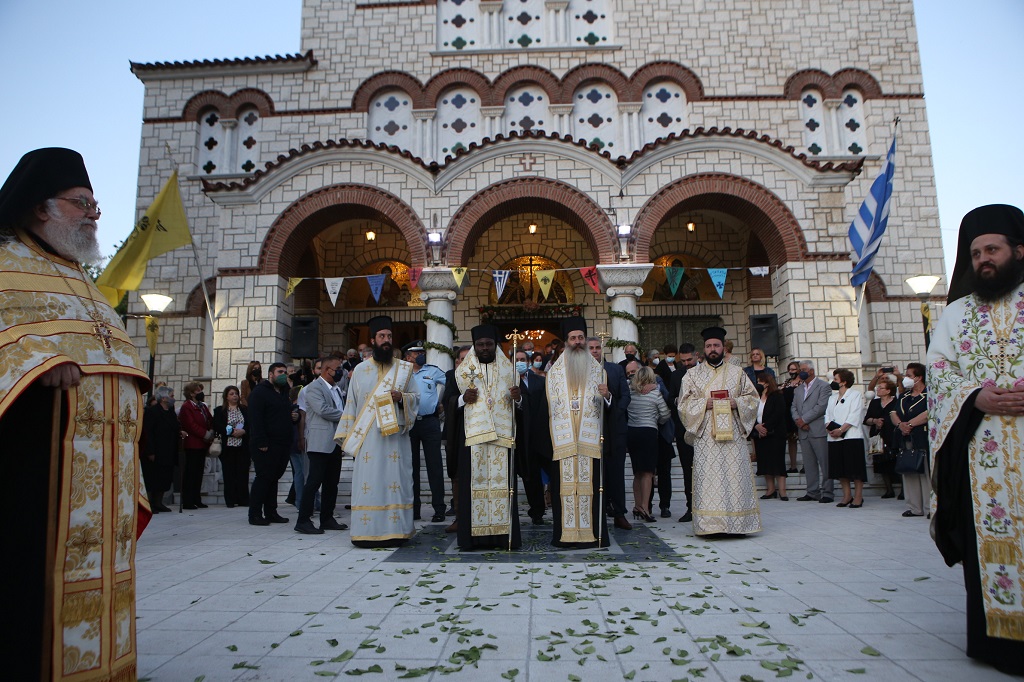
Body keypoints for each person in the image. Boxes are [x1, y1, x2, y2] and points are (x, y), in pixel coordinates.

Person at [0, 147, 151, 679]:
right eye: (81, 202)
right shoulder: (4, 262)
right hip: (31, 471)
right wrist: (32, 361)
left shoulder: (83, 282)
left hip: (98, 476)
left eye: (96, 205)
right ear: (41, 207)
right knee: (28, 599)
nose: (93, 213)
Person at [929, 204, 1024, 675]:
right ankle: (998, 640)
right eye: (976, 252)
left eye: (993, 249)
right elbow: (940, 373)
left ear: (1018, 251)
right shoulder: (956, 314)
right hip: (981, 453)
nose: (984, 259)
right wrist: (975, 398)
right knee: (991, 543)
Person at [335, 316, 420, 547]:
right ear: (372, 340)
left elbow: (416, 399)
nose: (386, 340)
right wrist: (348, 436)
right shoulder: (360, 371)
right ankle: (366, 532)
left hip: (396, 440)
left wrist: (401, 397)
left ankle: (397, 531)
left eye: (389, 336)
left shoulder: (404, 370)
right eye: (382, 336)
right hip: (369, 440)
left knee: (396, 482)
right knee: (369, 484)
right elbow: (351, 404)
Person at [677, 326, 760, 535]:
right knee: (710, 479)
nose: (712, 349)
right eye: (708, 346)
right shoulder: (692, 375)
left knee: (734, 477)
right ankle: (710, 525)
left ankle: (737, 524)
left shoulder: (738, 373)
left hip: (733, 436)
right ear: (702, 350)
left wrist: (736, 403)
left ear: (723, 347)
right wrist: (706, 403)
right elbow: (684, 405)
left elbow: (752, 399)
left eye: (716, 345)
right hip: (707, 437)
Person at [450, 325, 523, 550]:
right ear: (474, 346)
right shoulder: (461, 372)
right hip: (473, 439)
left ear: (495, 345)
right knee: (473, 489)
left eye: (488, 344)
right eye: (480, 345)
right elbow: (448, 402)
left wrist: (518, 398)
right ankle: (473, 539)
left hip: (502, 439)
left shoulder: (510, 371)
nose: (484, 348)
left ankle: (503, 538)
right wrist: (463, 399)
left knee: (503, 489)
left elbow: (521, 406)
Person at [545, 317, 610, 548]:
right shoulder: (554, 374)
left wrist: (607, 396)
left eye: (581, 337)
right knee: (564, 491)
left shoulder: (598, 371)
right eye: (573, 338)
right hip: (563, 442)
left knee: (590, 488)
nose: (577, 342)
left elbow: (607, 407)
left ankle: (592, 536)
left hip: (589, 441)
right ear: (566, 342)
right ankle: (564, 536)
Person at [294, 356, 348, 534]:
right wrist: (348, 416)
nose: (340, 370)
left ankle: (327, 518)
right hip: (319, 442)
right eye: (337, 368)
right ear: (327, 370)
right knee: (314, 482)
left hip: (335, 442)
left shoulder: (336, 389)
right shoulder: (313, 388)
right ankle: (303, 520)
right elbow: (323, 410)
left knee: (332, 483)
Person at [587, 336, 631, 530]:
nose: (595, 351)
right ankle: (595, 513)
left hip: (613, 431)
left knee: (615, 474)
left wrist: (609, 398)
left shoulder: (614, 369)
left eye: (597, 347)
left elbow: (625, 397)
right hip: (588, 431)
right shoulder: (579, 371)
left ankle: (619, 512)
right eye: (591, 348)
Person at [404, 341, 448, 523]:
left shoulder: (433, 370)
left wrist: (444, 402)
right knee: (411, 468)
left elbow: (450, 383)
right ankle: (414, 510)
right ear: (408, 357)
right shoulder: (402, 373)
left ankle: (439, 509)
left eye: (423, 352)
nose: (421, 355)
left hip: (430, 422)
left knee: (435, 466)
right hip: (410, 423)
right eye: (417, 353)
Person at [247, 362, 294, 525]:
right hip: (265, 443)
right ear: (270, 374)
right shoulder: (260, 392)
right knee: (264, 477)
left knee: (274, 478)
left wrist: (295, 417)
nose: (283, 374)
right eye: (280, 371)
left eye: (285, 372)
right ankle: (254, 513)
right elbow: (256, 418)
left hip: (282, 442)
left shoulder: (283, 392)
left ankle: (271, 511)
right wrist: (261, 441)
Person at [625, 365, 670, 521]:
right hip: (649, 432)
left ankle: (637, 506)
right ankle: (645, 507)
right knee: (648, 473)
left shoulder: (630, 392)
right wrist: (655, 419)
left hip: (632, 432)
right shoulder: (655, 394)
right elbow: (665, 414)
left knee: (637, 472)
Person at [514, 349, 550, 525]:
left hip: (541, 434)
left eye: (522, 359)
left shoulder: (540, 381)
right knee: (530, 476)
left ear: (528, 362)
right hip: (520, 437)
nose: (520, 362)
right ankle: (536, 511)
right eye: (516, 359)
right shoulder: (508, 381)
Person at [791, 360, 834, 503]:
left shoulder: (823, 386)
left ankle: (827, 492)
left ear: (811, 371)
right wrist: (799, 421)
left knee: (825, 462)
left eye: (803, 369)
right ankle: (812, 491)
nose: (800, 372)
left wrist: (804, 420)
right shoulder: (798, 389)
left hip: (817, 428)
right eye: (800, 369)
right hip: (803, 430)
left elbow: (821, 406)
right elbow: (793, 407)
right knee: (809, 464)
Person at [825, 369, 867, 508]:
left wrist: (841, 429)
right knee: (840, 468)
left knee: (855, 468)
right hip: (834, 437)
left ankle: (859, 496)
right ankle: (847, 495)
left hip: (851, 436)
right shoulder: (832, 397)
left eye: (836, 379)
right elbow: (828, 415)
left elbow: (854, 414)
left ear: (843, 381)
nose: (833, 382)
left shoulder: (855, 395)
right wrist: (830, 427)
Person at [441, 344, 472, 530]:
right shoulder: (451, 376)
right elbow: (447, 401)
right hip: (455, 433)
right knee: (457, 476)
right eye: (460, 359)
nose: (463, 362)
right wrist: (462, 399)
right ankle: (459, 517)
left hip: (477, 432)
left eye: (467, 359)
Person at [894, 362, 930, 518]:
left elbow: (929, 412)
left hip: (922, 437)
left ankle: (930, 507)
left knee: (926, 473)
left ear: (919, 377)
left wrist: (910, 424)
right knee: (909, 471)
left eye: (908, 376)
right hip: (906, 438)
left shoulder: (929, 394)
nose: (905, 378)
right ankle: (914, 507)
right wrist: (901, 425)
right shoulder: (904, 396)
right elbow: (893, 413)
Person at [668, 343, 698, 522]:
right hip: (684, 429)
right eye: (684, 360)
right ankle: (690, 507)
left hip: (705, 430)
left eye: (690, 360)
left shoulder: (707, 373)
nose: (687, 363)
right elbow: (670, 398)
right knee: (688, 470)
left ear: (697, 356)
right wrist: (677, 401)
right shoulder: (676, 375)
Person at [750, 371, 788, 500]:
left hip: (775, 434)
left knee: (777, 462)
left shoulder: (777, 395)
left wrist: (766, 427)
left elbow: (779, 413)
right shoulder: (755, 397)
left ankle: (782, 491)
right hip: (760, 434)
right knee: (765, 462)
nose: (758, 384)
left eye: (760, 381)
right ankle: (770, 489)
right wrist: (757, 426)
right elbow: (750, 414)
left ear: (767, 383)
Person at [213, 385, 250, 509]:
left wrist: (243, 431)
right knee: (229, 474)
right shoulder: (219, 410)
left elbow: (250, 423)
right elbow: (217, 425)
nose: (234, 396)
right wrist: (231, 431)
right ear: (226, 397)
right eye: (232, 394)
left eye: (236, 393)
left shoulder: (244, 409)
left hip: (242, 445)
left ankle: (243, 499)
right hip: (228, 446)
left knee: (242, 472)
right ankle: (230, 499)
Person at [178, 382, 214, 509]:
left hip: (202, 444)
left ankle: (196, 498)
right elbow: (190, 425)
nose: (201, 393)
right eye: (198, 391)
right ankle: (188, 500)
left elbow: (209, 419)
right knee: (191, 473)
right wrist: (205, 434)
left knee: (199, 473)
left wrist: (211, 430)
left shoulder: (202, 407)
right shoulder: (186, 407)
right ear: (191, 393)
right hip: (193, 443)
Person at [143, 386, 179, 512]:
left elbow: (175, 427)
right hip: (156, 450)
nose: (173, 398)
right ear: (164, 398)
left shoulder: (170, 412)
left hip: (168, 450)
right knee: (153, 478)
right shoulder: (152, 412)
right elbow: (148, 433)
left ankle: (159, 502)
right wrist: (150, 451)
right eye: (172, 396)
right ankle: (150, 503)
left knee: (165, 477)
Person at [863, 377, 900, 498]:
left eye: (881, 388)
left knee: (896, 460)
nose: (878, 389)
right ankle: (889, 489)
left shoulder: (896, 402)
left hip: (893, 434)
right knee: (881, 462)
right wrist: (875, 420)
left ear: (888, 391)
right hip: (878, 436)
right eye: (878, 387)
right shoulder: (874, 402)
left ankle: (903, 489)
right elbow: (866, 419)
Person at [780, 361, 802, 473]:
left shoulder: (802, 382)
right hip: (788, 413)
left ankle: (806, 465)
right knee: (791, 440)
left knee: (802, 439)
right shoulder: (787, 382)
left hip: (800, 412)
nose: (791, 372)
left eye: (793, 369)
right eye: (790, 369)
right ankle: (793, 466)